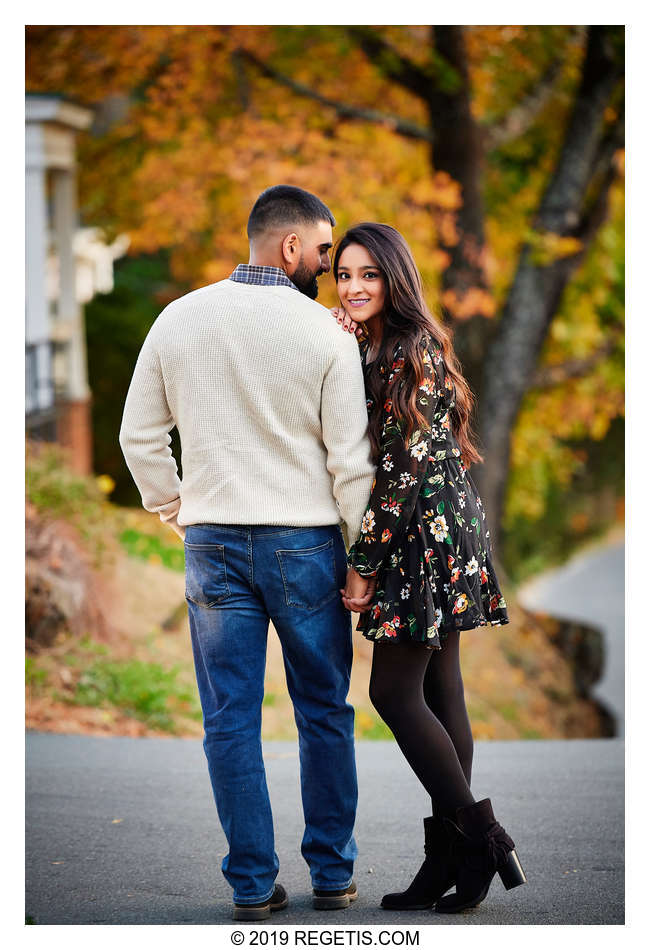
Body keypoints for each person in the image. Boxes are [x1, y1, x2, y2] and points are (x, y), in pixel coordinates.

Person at [119, 186, 376, 921]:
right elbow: (350, 466)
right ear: (291, 247)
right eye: (325, 251)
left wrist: (177, 510)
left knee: (228, 718)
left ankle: (251, 886)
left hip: (214, 543)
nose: (330, 268)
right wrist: (360, 558)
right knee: (324, 709)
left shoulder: (179, 318)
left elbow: (139, 438)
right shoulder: (325, 336)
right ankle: (332, 873)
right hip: (305, 545)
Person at [331, 222, 526, 914]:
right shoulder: (371, 343)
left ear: (395, 278)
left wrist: (363, 564)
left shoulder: (413, 349)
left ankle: (479, 837)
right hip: (431, 525)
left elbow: (403, 472)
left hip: (425, 531)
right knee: (443, 692)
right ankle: (447, 859)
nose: (354, 287)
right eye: (344, 275)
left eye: (368, 275)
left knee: (394, 692)